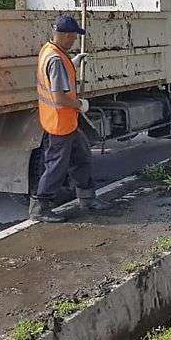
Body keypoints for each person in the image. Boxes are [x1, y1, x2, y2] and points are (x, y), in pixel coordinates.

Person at [30, 15, 109, 222]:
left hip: (66, 123)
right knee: (56, 167)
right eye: (73, 36)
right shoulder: (56, 60)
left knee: (82, 157)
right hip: (60, 122)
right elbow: (59, 96)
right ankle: (40, 208)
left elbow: (57, 77)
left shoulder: (50, 51)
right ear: (64, 35)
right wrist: (80, 104)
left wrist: (73, 63)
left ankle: (87, 198)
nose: (75, 39)